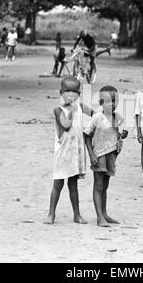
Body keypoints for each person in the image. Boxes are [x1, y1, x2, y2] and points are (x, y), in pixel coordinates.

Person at [45, 76, 94, 225]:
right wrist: (72, 110)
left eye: (74, 92)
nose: (71, 95)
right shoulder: (58, 110)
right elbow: (66, 125)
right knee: (58, 184)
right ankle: (51, 213)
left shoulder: (80, 107)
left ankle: (77, 214)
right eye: (67, 91)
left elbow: (94, 114)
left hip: (75, 154)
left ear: (79, 94)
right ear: (61, 92)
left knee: (73, 185)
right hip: (63, 154)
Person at [84, 86, 128, 227]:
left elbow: (113, 135)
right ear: (101, 102)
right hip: (99, 155)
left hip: (111, 155)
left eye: (115, 100)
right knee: (98, 185)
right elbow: (86, 135)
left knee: (105, 186)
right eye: (108, 101)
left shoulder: (117, 117)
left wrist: (122, 135)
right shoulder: (97, 117)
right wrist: (91, 155)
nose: (112, 104)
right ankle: (99, 217)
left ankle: (104, 213)